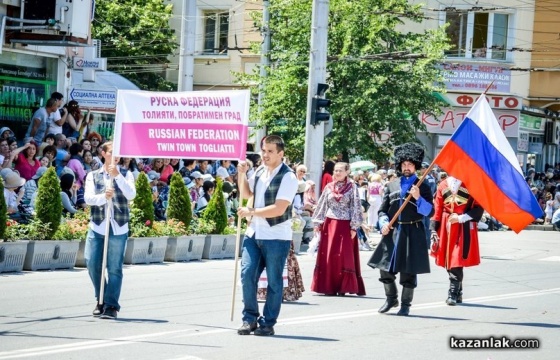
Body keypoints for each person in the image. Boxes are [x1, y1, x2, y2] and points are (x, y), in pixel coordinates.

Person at [236, 135, 298, 336]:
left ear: (281, 154)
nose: (265, 155)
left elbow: (279, 209)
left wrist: (251, 212)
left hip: (276, 235)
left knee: (273, 281)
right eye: (263, 150)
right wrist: (241, 174)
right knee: (247, 275)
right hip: (254, 233)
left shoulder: (288, 177)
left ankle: (268, 322)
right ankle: (249, 319)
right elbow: (246, 194)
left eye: (270, 151)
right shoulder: (260, 170)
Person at [367, 143, 434, 316]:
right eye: (403, 164)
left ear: (415, 166)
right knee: (384, 266)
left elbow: (430, 212)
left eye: (410, 164)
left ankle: (405, 304)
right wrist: (383, 223)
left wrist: (418, 197)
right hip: (394, 231)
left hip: (413, 232)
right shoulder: (391, 185)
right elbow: (383, 209)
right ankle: (391, 298)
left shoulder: (423, 186)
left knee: (408, 271)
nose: (406, 167)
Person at [84, 141, 136, 320]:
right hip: (98, 225)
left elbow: (131, 195)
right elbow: (88, 198)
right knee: (91, 262)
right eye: (113, 152)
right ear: (104, 153)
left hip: (118, 226)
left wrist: (118, 176)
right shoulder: (93, 175)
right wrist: (103, 197)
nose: (116, 156)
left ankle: (111, 305)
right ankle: (101, 299)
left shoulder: (126, 174)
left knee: (114, 267)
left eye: (119, 153)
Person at [311, 162, 366, 296]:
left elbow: (356, 207)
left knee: (343, 256)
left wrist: (354, 227)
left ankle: (343, 287)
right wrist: (318, 223)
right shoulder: (329, 187)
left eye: (340, 170)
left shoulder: (352, 187)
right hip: (329, 224)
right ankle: (328, 286)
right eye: (335, 171)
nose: (337, 173)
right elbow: (322, 205)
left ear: (347, 172)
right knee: (329, 254)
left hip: (345, 225)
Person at [430, 176, 483, 306]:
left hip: (462, 225)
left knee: (456, 259)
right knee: (448, 259)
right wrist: (432, 229)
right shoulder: (442, 185)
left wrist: (461, 218)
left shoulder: (471, 184)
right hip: (445, 225)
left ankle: (452, 293)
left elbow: (478, 207)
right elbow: (437, 208)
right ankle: (458, 292)